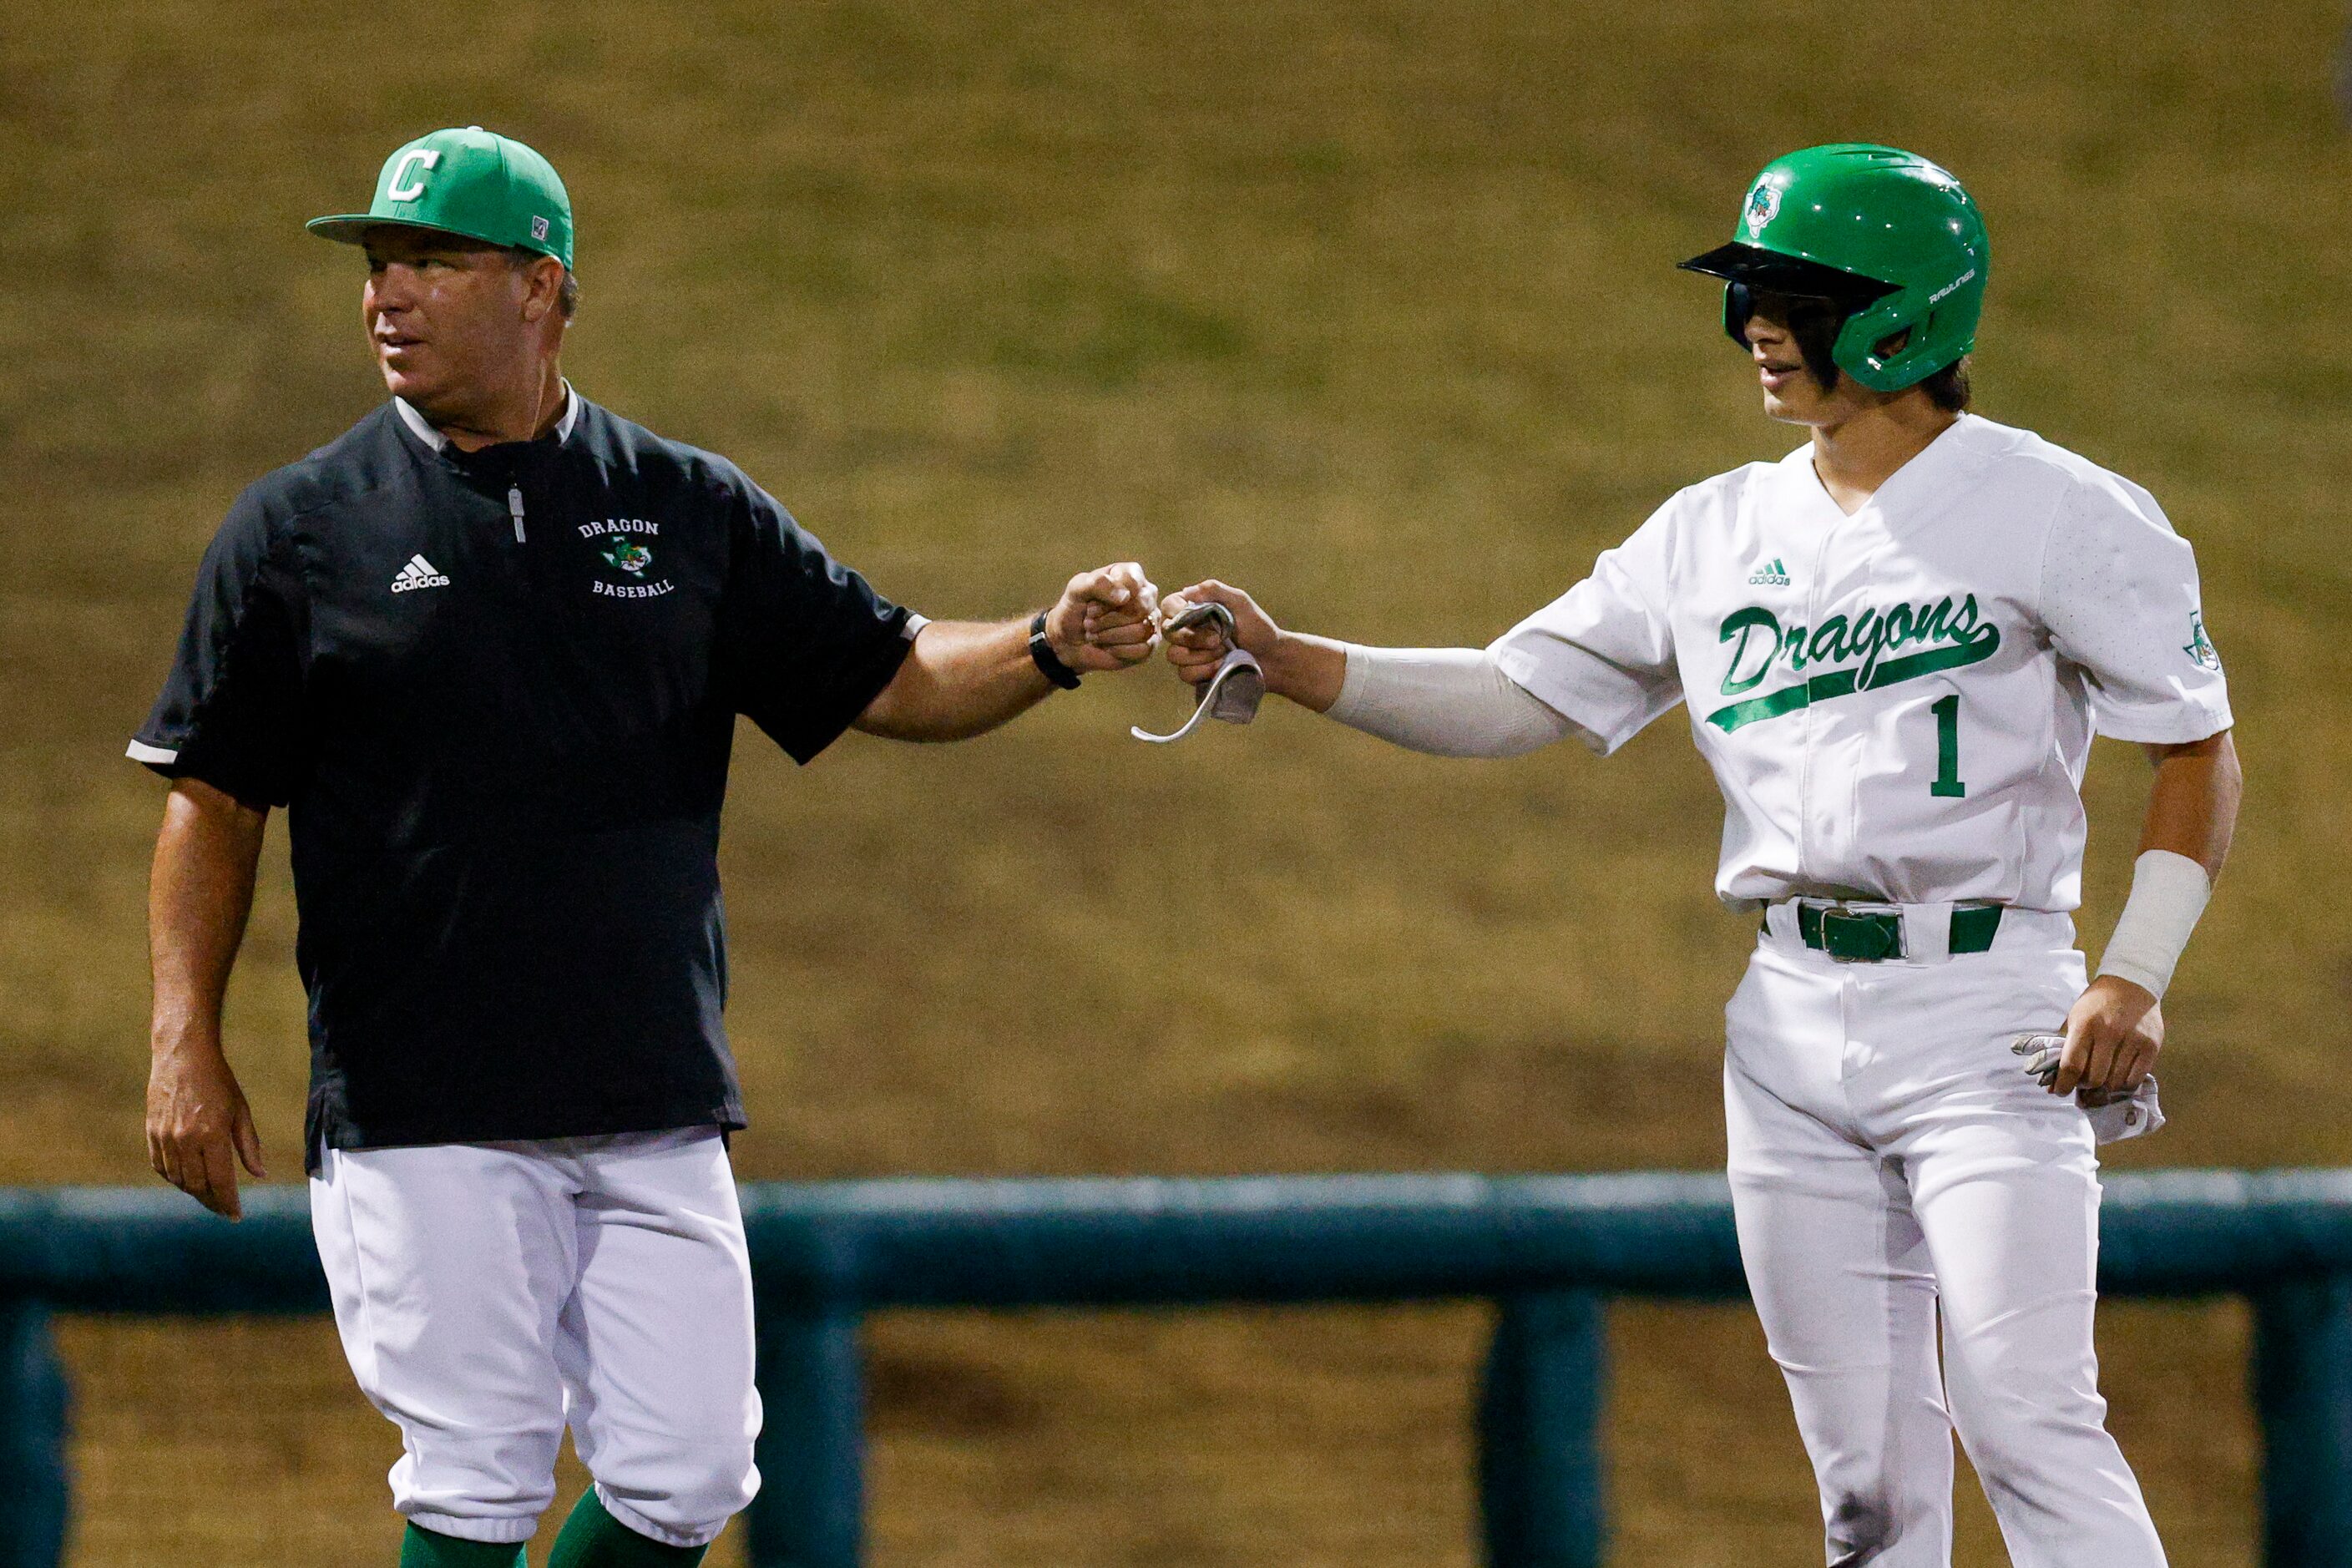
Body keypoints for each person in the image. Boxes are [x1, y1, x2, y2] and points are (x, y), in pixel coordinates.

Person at [1160, 144, 2240, 1565]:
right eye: (1748, 294)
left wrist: (2135, 974)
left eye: (1791, 294)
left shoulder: (2059, 509)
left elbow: (2194, 746)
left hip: (1994, 1013)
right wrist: (1290, 660)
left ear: (1907, 310)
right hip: (1785, 1026)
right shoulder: (1714, 530)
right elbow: (1514, 694)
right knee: (1864, 1492)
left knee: (2029, 1418)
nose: (1759, 328)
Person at [131, 125, 1160, 1568]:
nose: (387, 295)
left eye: (432, 261)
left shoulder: (685, 504)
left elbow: (893, 674)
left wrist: (1050, 644)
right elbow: (212, 798)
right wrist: (185, 1037)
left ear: (542, 289)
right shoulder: (299, 530)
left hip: (651, 1087)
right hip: (423, 1098)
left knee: (689, 1473)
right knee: (476, 1482)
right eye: (378, 264)